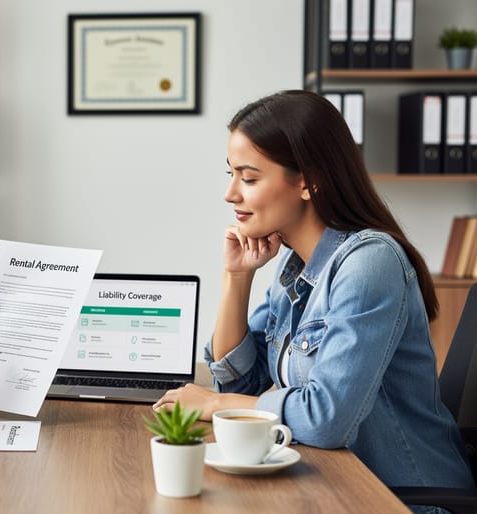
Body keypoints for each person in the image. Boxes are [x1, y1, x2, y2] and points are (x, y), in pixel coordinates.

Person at [154, 90, 474, 505]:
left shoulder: (369, 263)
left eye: (249, 178)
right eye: (231, 174)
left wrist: (215, 403)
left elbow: (326, 420)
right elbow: (244, 382)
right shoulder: (294, 267)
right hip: (329, 482)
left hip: (404, 498)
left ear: (306, 181)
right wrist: (237, 277)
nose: (231, 194)